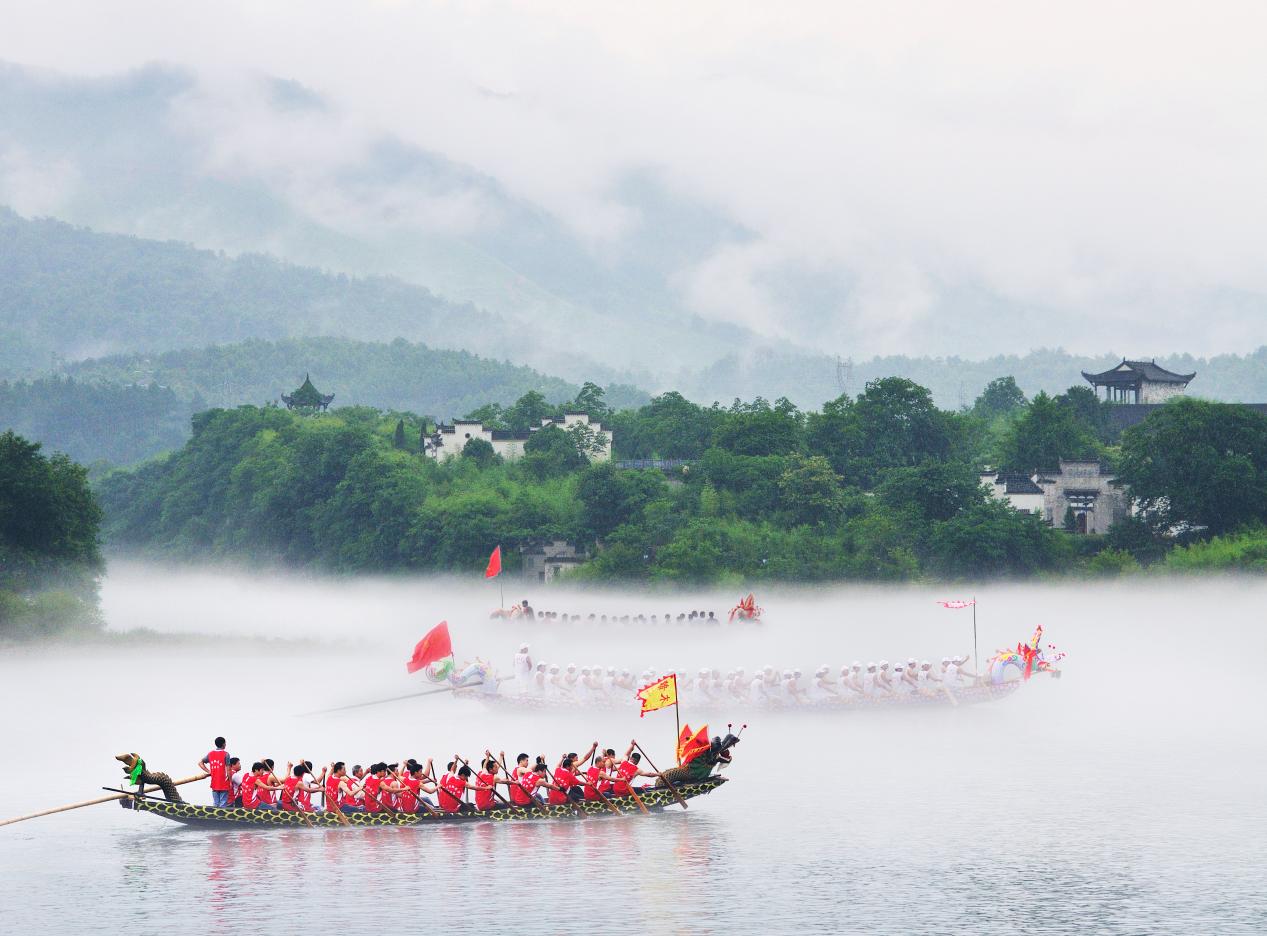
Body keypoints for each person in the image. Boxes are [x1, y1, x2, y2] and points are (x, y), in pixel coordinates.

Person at [199, 737, 233, 808]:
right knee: (223, 803)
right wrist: (230, 781)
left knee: (215, 803)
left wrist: (209, 771)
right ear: (223, 744)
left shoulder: (210, 754)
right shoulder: (226, 754)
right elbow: (228, 769)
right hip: (224, 782)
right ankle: (221, 817)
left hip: (214, 782)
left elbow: (200, 763)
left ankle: (214, 817)